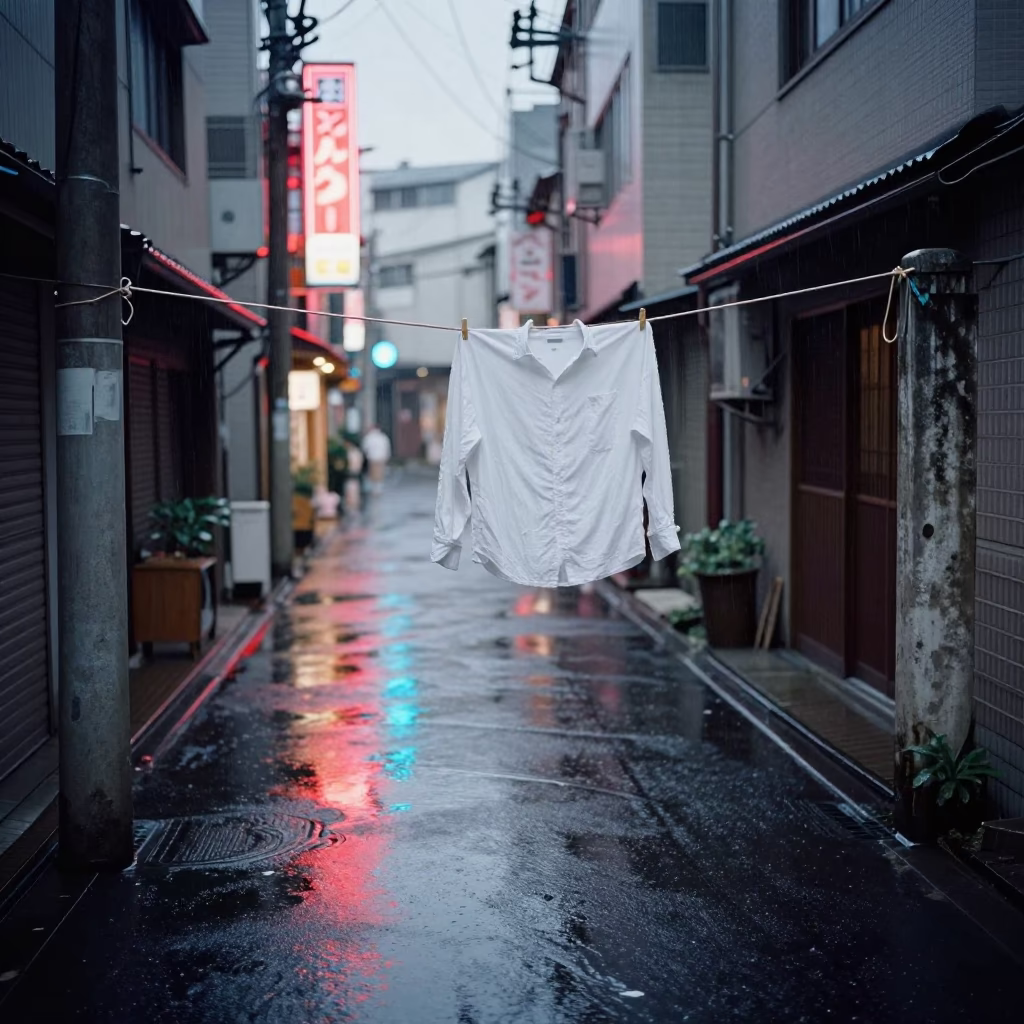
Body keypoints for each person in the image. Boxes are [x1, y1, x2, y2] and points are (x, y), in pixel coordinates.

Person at [362, 424, 391, 494]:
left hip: (372, 457)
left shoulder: (369, 437)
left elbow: (365, 447)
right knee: (380, 473)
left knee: (372, 473)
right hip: (381, 457)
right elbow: (387, 448)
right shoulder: (383, 437)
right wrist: (387, 456)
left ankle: (373, 488)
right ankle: (378, 488)